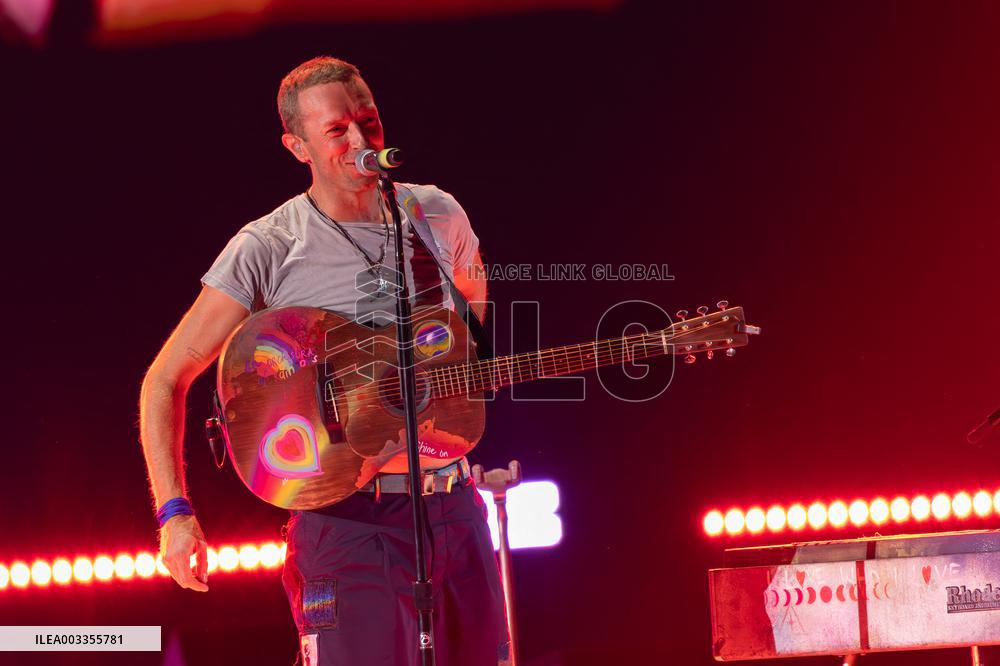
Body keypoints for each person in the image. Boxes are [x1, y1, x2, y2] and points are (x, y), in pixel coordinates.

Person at [138, 56, 509, 666]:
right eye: (338, 130)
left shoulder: (436, 214)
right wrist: (175, 513)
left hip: (454, 511)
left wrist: (445, 381)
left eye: (369, 121)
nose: (362, 141)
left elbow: (473, 298)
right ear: (298, 146)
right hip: (345, 526)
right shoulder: (268, 247)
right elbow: (165, 379)